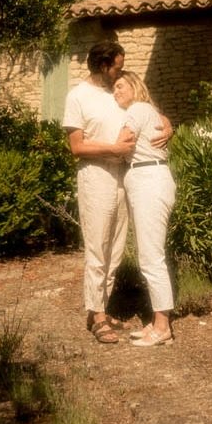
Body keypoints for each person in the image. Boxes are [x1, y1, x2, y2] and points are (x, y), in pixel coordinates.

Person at [61, 41, 141, 343]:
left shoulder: (117, 93)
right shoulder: (78, 97)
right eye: (117, 67)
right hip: (95, 176)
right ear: (103, 66)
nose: (120, 72)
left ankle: (101, 308)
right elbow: (77, 147)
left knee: (116, 247)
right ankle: (96, 317)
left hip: (122, 175)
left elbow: (147, 110)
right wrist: (113, 148)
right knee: (98, 246)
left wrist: (167, 126)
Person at [112, 70, 176, 347]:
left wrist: (93, 148)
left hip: (149, 180)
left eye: (120, 86)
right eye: (113, 88)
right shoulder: (146, 110)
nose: (116, 91)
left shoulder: (137, 109)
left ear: (135, 87)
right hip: (147, 178)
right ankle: (157, 320)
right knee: (149, 254)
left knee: (151, 257)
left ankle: (162, 327)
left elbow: (123, 142)